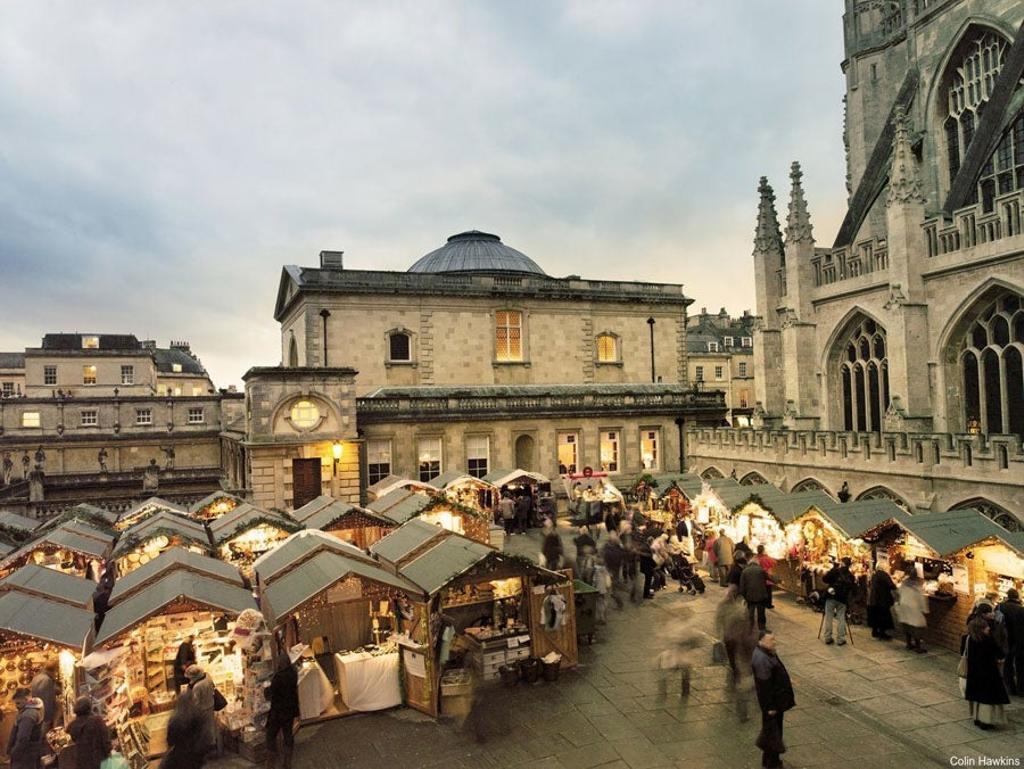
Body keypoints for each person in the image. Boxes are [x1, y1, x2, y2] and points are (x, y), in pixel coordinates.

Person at [751, 631, 795, 769]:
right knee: (773, 733)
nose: (774, 642)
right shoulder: (761, 659)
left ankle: (770, 760)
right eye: (770, 640)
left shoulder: (767, 653)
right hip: (773, 705)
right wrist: (769, 707)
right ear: (761, 642)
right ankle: (772, 762)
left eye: (774, 639)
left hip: (777, 703)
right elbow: (764, 686)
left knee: (772, 731)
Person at [963, 617, 1010, 730]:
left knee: (977, 697)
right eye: (986, 626)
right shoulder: (987, 640)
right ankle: (986, 721)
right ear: (981, 629)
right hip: (988, 673)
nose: (988, 628)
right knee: (987, 699)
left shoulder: (969, 639)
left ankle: (977, 718)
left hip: (974, 672)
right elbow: (999, 654)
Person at [717, 596, 757, 722]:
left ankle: (743, 706)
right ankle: (743, 710)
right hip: (745, 656)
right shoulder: (741, 623)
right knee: (746, 682)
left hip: (743, 655)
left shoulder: (734, 619)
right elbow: (748, 639)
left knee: (745, 680)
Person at [265, 652, 299, 769]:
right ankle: (287, 763)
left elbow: (270, 694)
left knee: (270, 736)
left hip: (278, 712)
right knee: (288, 735)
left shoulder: (278, 677)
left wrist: (266, 690)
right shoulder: (293, 673)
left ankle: (271, 764)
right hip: (289, 710)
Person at [161, 693, 208, 768]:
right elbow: (203, 734)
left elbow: (170, 740)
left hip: (180, 754)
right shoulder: (198, 714)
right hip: (196, 753)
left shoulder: (174, 718)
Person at [67, 696, 111, 769]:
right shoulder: (97, 721)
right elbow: (106, 742)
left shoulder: (72, 726)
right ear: (89, 708)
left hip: (82, 763)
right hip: (99, 762)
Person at [184, 665, 217, 756]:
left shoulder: (197, 687)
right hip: (210, 705)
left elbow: (196, 702)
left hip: (202, 710)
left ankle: (207, 750)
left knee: (203, 730)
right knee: (210, 728)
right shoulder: (208, 678)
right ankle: (213, 747)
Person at [997, 588, 1024, 696]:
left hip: (1005, 640)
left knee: (1007, 663)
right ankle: (1021, 689)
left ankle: (1009, 687)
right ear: (1017, 596)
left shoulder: (1000, 606)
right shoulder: (1020, 610)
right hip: (1019, 641)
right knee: (1020, 665)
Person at [822, 557, 855, 646]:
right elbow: (852, 588)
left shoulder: (835, 571)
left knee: (829, 616)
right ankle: (840, 639)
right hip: (842, 599)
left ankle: (828, 637)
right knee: (841, 618)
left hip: (831, 596)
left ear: (841, 563)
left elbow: (824, 579)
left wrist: (832, 569)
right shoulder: (850, 576)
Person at [7, 692, 43, 769]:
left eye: (18, 703)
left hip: (24, 754)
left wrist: (14, 752)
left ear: (26, 700)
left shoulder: (28, 715)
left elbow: (22, 738)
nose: (16, 706)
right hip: (28, 752)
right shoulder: (31, 710)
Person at [897, 570, 928, 653]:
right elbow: (921, 598)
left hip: (904, 605)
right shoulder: (917, 585)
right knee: (917, 627)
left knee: (907, 626)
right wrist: (925, 609)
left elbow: (899, 592)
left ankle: (908, 644)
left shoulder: (904, 583)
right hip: (913, 607)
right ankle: (918, 647)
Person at [29, 660, 58, 745]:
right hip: (45, 713)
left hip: (37, 710)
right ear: (53, 670)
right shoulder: (47, 680)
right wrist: (49, 718)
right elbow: (47, 699)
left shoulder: (37, 677)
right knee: (45, 737)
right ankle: (44, 753)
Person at [739, 556, 770, 630]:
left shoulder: (745, 571)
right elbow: (769, 577)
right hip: (761, 595)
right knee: (761, 613)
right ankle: (762, 627)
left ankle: (751, 627)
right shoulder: (761, 570)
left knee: (750, 612)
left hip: (750, 595)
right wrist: (778, 581)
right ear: (757, 563)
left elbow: (742, 585)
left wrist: (743, 595)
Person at [866, 565, 897, 641]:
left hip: (874, 600)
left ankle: (875, 631)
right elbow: (891, 585)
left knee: (876, 616)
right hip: (882, 599)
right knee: (883, 616)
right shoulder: (884, 574)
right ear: (884, 568)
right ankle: (882, 633)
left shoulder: (875, 575)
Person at [601, 532, 627, 610]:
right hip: (615, 569)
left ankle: (620, 604)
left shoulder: (608, 549)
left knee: (612, 589)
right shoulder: (618, 548)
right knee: (612, 588)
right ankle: (619, 604)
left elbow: (605, 558)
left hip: (610, 570)